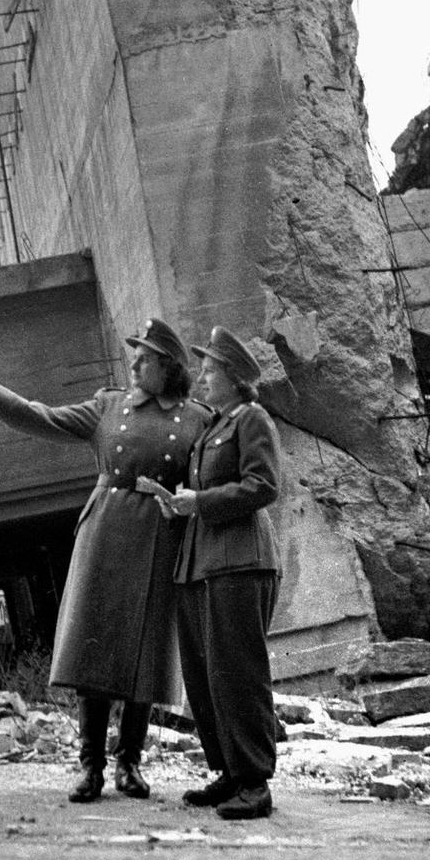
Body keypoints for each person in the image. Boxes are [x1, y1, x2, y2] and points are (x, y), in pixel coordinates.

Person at [0, 318, 211, 803]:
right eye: (134, 355)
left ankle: (129, 763)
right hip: (106, 532)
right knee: (97, 647)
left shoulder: (198, 418)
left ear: (169, 367)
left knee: (144, 652)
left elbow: (214, 477)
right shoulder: (109, 406)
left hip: (161, 537)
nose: (134, 363)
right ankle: (90, 766)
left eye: (145, 357)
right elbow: (44, 418)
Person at [152, 325, 282, 821]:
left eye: (210, 370)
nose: (202, 378)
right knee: (205, 676)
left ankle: (254, 782)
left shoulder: (251, 419)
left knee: (238, 674)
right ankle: (229, 771)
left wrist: (199, 502)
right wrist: (179, 506)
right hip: (204, 562)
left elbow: (264, 486)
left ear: (232, 376)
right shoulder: (214, 425)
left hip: (239, 562)